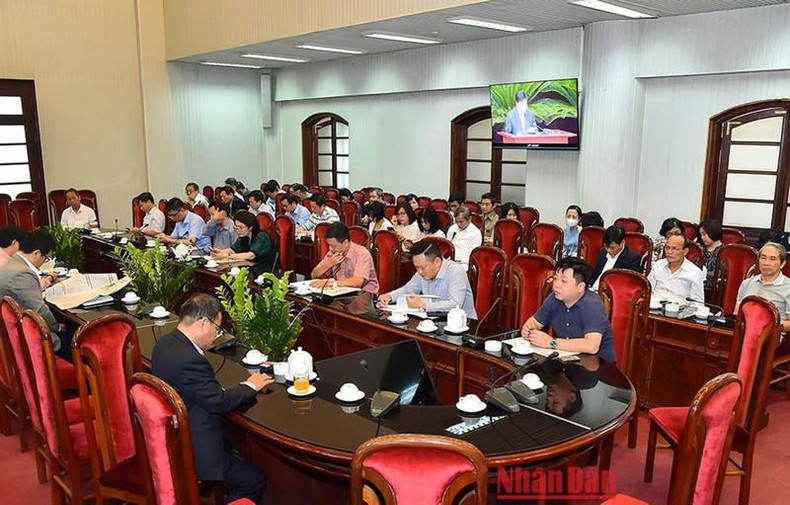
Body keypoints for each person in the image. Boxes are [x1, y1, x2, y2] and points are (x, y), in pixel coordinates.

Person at [151, 293, 271, 504]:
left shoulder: (164, 344)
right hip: (195, 449)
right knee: (253, 480)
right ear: (203, 322)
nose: (216, 335)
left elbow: (196, 389)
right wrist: (251, 385)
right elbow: (218, 402)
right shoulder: (189, 359)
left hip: (170, 436)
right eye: (217, 328)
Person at [520, 257, 617, 363]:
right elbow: (535, 322)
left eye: (564, 281)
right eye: (555, 278)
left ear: (580, 287)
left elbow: (592, 346)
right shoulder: (554, 298)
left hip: (597, 366)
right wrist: (529, 329)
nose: (556, 285)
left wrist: (551, 342)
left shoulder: (592, 305)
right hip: (566, 360)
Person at [0, 230, 65, 350]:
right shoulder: (22, 273)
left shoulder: (11, 262)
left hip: (10, 336)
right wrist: (58, 327)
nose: (44, 262)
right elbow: (40, 311)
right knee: (77, 337)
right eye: (46, 258)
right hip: (29, 342)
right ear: (36, 253)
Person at [377, 240, 477, 319]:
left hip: (462, 326)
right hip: (433, 322)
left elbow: (455, 304)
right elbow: (408, 289)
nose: (419, 272)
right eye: (416, 267)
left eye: (422, 268)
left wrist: (423, 305)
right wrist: (389, 296)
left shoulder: (456, 271)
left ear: (437, 261)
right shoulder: (422, 272)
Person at [310, 222, 379, 301]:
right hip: (341, 294)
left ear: (345, 243)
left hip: (364, 296)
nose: (330, 248)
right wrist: (328, 264)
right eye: (329, 245)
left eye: (334, 246)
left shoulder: (361, 253)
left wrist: (332, 284)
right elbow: (314, 274)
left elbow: (358, 281)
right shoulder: (333, 253)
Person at [734, 242, 790, 330]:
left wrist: (768, 327)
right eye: (763, 258)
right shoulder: (747, 283)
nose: (766, 263)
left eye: (772, 259)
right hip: (744, 332)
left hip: (771, 338)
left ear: (782, 264)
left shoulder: (788, 287)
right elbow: (737, 314)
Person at [211, 211, 276, 274]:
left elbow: (250, 256)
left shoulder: (261, 236)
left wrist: (227, 255)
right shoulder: (244, 236)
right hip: (248, 266)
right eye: (236, 227)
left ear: (250, 227)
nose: (238, 230)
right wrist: (220, 252)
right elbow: (232, 250)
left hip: (262, 270)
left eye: (241, 227)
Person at [647, 235, 704, 303]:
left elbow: (698, 302)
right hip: (655, 307)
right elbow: (647, 290)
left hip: (680, 310)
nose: (669, 252)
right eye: (667, 248)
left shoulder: (695, 272)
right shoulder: (658, 265)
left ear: (685, 251)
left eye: (674, 249)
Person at [590, 226, 642, 290]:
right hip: (594, 288)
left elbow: (630, 286)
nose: (608, 250)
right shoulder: (603, 252)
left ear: (622, 243)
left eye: (612, 248)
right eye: (606, 246)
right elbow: (595, 273)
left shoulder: (631, 259)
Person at [699, 218, 723, 285]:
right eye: (701, 235)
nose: (702, 237)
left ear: (712, 232)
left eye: (704, 234)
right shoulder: (700, 249)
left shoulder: (724, 251)